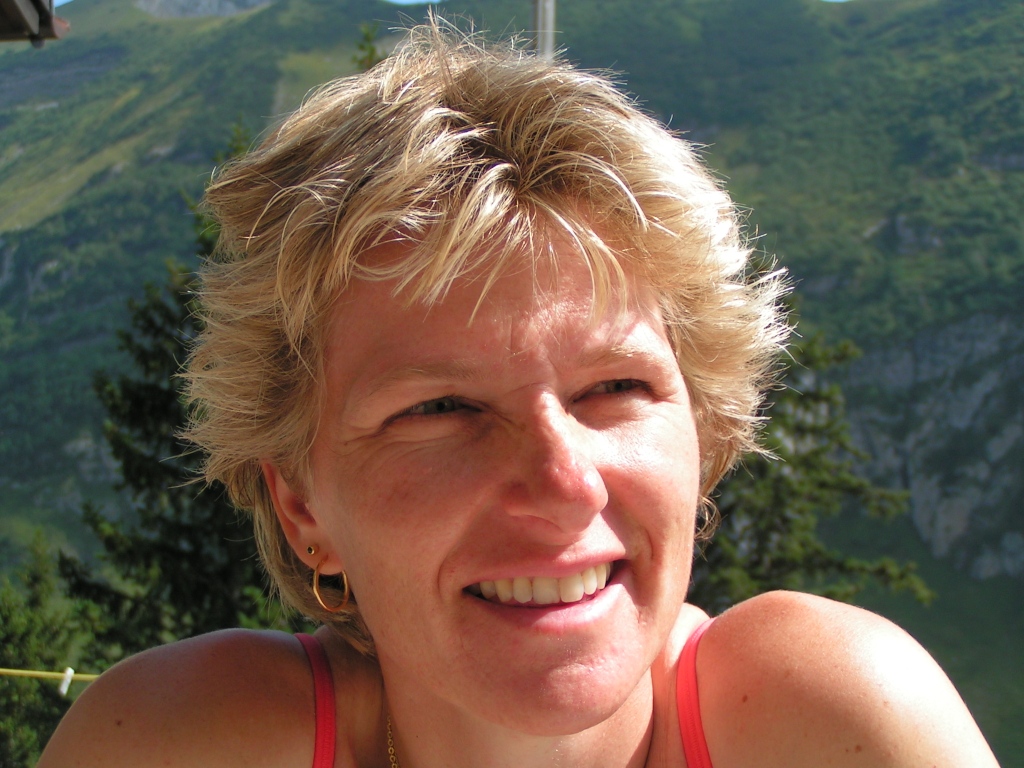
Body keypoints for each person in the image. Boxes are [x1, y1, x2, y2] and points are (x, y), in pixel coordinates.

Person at [39, 21, 999, 768]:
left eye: (615, 387)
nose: (564, 482)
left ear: (703, 436)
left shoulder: (830, 724)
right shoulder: (171, 743)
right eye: (439, 409)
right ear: (301, 508)